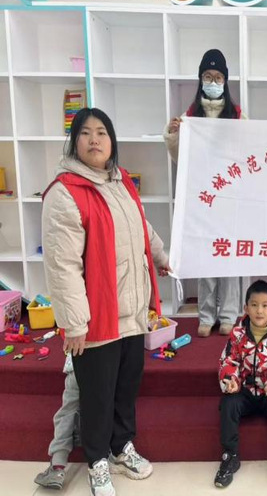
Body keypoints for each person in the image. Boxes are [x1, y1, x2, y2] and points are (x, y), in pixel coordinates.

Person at [42, 107, 171, 496]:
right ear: (74, 142)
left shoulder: (121, 182)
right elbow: (62, 267)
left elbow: (142, 227)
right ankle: (97, 461)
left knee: (125, 388)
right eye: (85, 133)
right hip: (97, 319)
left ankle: (120, 447)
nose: (94, 139)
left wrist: (161, 257)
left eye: (102, 132)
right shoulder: (65, 192)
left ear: (112, 142)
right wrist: (74, 323)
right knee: (97, 395)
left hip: (132, 311)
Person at [163, 48, 243, 338]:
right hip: (203, 198)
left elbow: (248, 152)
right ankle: (206, 315)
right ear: (200, 80)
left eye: (218, 77)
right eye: (207, 77)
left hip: (230, 196)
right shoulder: (190, 117)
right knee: (207, 257)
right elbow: (180, 158)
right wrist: (173, 135)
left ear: (225, 81)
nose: (213, 82)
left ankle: (229, 315)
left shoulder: (237, 115)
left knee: (230, 257)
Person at [216, 279, 267, 489]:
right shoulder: (237, 334)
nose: (259, 310)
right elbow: (228, 361)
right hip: (245, 392)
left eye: (265, 305)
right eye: (254, 305)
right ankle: (230, 455)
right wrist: (231, 380)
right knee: (228, 403)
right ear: (246, 308)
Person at [34, 353, 79, 490]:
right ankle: (102, 458)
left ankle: (58, 465)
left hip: (79, 363)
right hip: (106, 366)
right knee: (103, 410)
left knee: (67, 413)